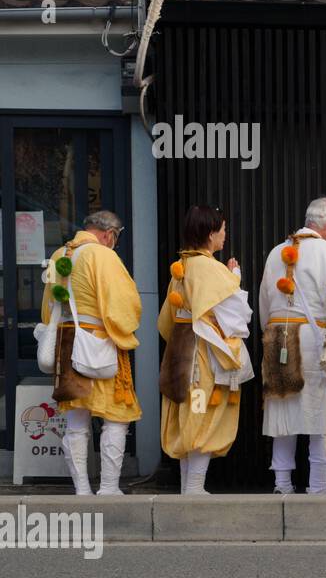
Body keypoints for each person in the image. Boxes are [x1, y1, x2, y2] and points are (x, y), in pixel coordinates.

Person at [40, 210, 140, 495]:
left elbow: (48, 307)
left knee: (76, 420)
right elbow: (123, 303)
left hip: (66, 342)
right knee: (116, 417)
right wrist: (124, 330)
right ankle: (108, 487)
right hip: (98, 342)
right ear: (109, 234)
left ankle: (82, 489)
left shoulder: (60, 253)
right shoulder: (103, 256)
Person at [158, 205, 254, 494]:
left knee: (187, 411)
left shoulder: (182, 266)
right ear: (211, 233)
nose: (225, 236)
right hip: (201, 356)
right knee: (201, 411)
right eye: (223, 230)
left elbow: (165, 321)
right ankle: (195, 487)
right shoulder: (210, 268)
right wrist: (234, 280)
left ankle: (190, 485)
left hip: (179, 348)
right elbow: (237, 316)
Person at [259, 197, 326, 494]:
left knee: (282, 409)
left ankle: (282, 484)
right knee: (320, 410)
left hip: (277, 335)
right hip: (313, 337)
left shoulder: (275, 253)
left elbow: (264, 303)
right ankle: (317, 485)